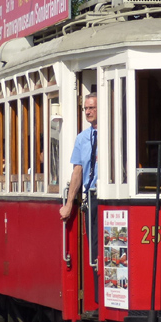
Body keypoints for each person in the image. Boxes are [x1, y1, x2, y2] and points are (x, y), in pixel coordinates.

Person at [60, 94, 99, 298]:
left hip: (105, 196)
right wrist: (69, 204)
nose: (88, 112)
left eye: (92, 108)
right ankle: (96, 294)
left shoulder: (113, 133)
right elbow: (78, 170)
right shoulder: (82, 138)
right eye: (86, 108)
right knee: (93, 246)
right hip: (90, 197)